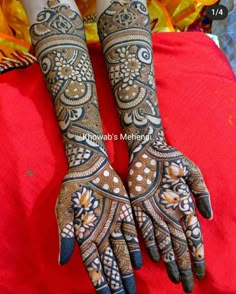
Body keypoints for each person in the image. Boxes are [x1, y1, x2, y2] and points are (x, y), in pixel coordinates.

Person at [20, 0, 213, 293]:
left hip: (133, 30)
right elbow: (50, 9)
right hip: (36, 35)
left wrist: (147, 142)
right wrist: (86, 155)